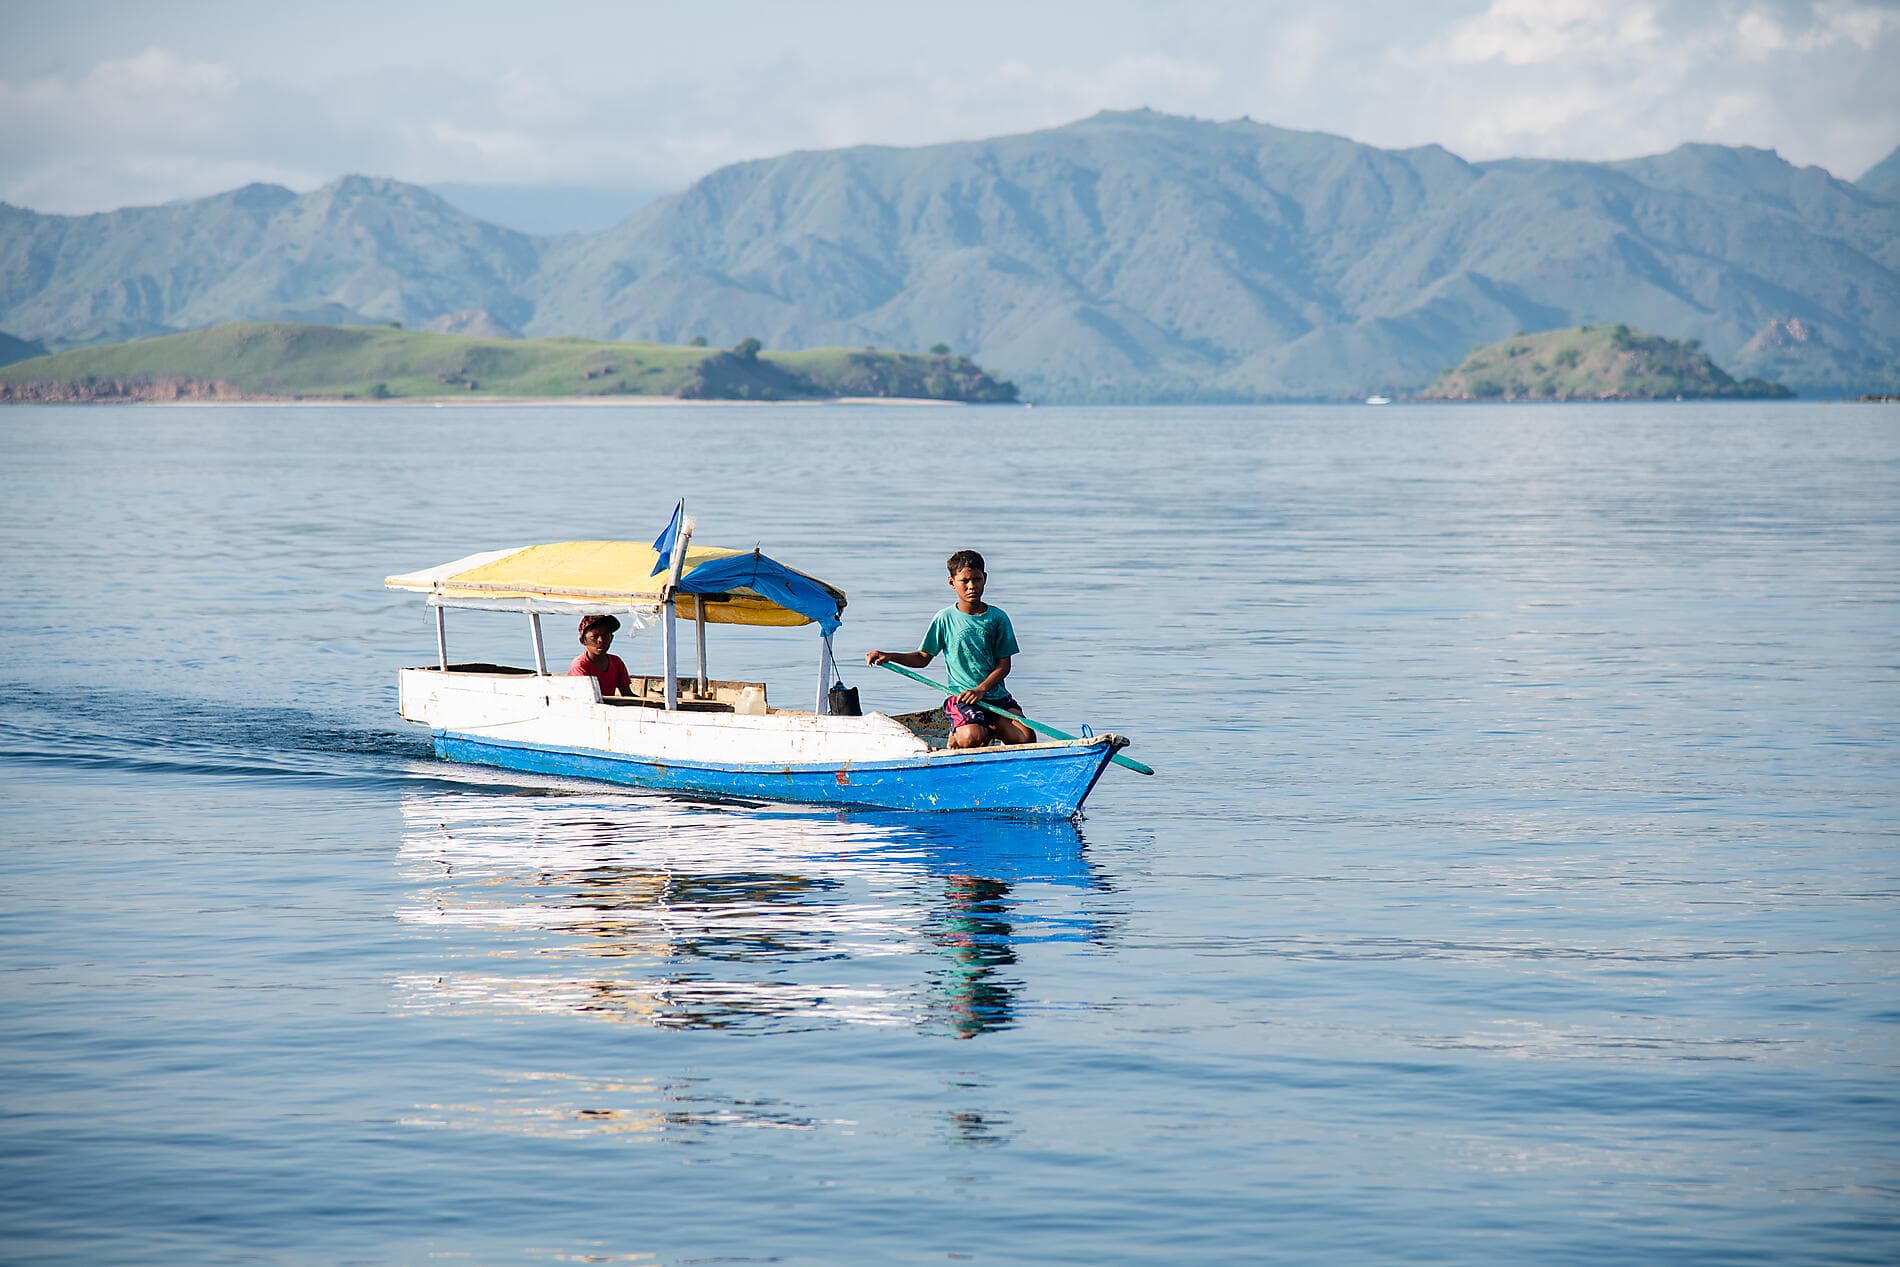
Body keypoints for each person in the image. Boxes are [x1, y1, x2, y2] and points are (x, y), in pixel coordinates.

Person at [865, 549, 1035, 749]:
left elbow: (1004, 665)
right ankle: (959, 733)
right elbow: (922, 657)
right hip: (962, 698)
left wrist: (981, 690)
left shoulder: (997, 618)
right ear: (952, 582)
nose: (972, 586)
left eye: (977, 579)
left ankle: (989, 726)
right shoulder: (945, 619)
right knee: (972, 738)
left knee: (1026, 738)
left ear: (985, 579)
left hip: (995, 697)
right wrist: (890, 656)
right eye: (965, 581)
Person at [569, 613, 634, 698]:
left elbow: (627, 694)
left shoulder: (616, 662)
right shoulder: (579, 666)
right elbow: (587, 698)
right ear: (583, 640)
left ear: (611, 638)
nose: (601, 640)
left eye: (605, 636)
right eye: (594, 637)